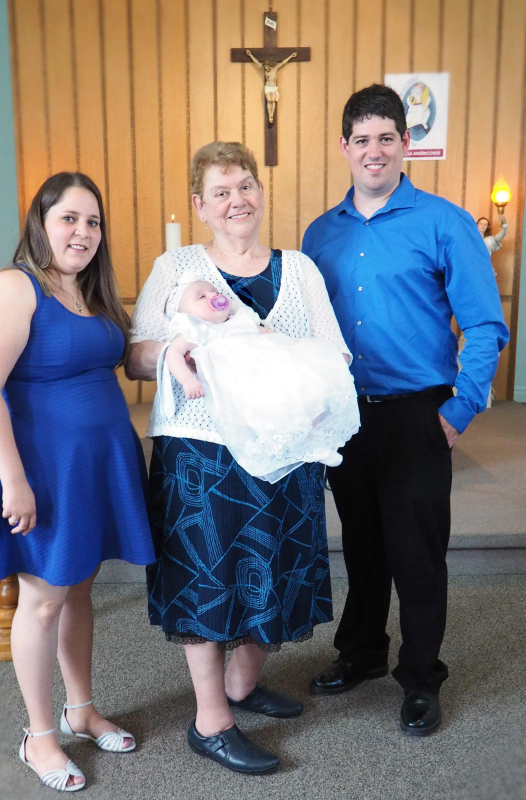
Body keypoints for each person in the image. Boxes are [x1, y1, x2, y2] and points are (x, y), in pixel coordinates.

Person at [126, 141, 352, 774]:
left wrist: (290, 366)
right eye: (220, 192)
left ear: (262, 192)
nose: (236, 201)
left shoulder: (299, 269)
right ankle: (211, 719)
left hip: (283, 448)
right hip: (200, 450)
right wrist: (176, 349)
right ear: (200, 206)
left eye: (245, 186)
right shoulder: (176, 267)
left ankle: (242, 683)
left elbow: (335, 352)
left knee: (273, 565)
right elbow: (136, 356)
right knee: (207, 575)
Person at [302, 84, 509, 737]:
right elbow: (309, 330)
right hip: (346, 416)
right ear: (344, 146)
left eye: (386, 138)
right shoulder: (320, 234)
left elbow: (486, 324)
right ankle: (362, 652)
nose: (374, 150)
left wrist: (460, 409)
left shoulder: (445, 222)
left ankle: (421, 677)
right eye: (362, 139)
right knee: (362, 546)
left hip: (421, 413)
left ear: (406, 144)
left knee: (417, 554)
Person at [0, 172, 155, 792]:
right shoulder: (13, 286)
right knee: (43, 600)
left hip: (97, 466)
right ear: (40, 223)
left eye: (92, 221)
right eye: (68, 218)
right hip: (45, 470)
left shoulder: (91, 290)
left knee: (77, 593)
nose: (83, 232)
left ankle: (81, 710)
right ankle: (40, 736)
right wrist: (14, 480)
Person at [160, 274, 359, 480]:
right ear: (184, 313)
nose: (214, 296)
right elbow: (173, 354)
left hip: (270, 368)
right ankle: (303, 448)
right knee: (266, 411)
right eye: (202, 297)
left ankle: (318, 442)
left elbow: (265, 333)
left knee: (304, 392)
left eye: (215, 292)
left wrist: (288, 348)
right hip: (242, 381)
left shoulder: (239, 319)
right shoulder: (195, 329)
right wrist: (187, 380)